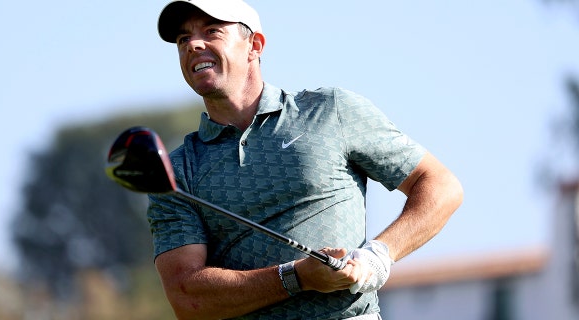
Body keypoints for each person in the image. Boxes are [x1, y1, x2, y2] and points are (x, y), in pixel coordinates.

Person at [148, 0, 463, 319]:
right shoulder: (177, 171)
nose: (193, 44)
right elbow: (188, 298)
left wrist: (378, 256)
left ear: (254, 46)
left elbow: (440, 186)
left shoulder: (330, 111)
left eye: (212, 31)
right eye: (183, 39)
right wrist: (296, 277)